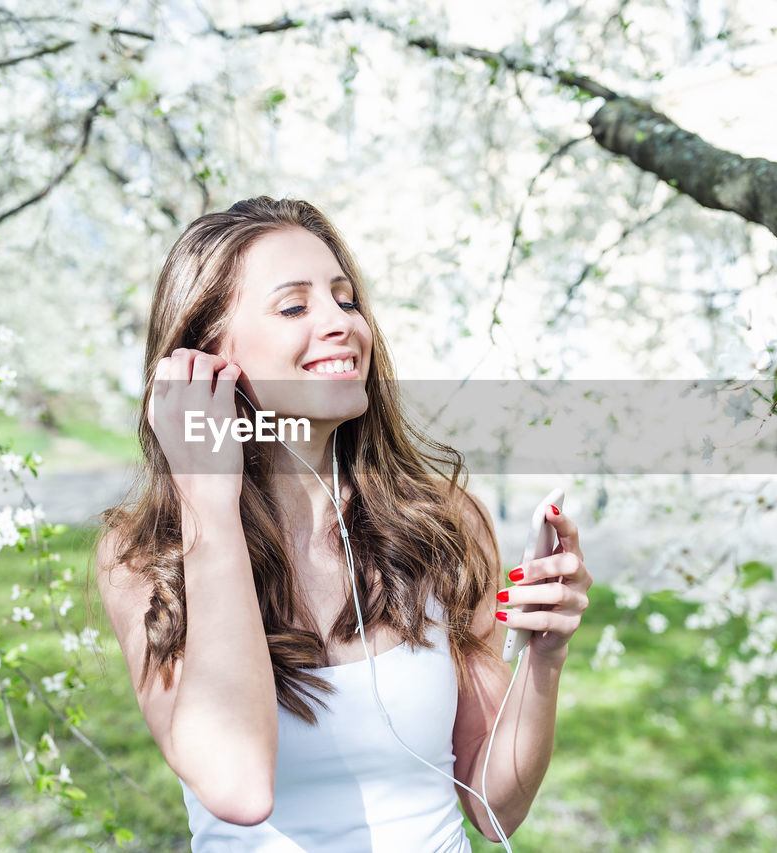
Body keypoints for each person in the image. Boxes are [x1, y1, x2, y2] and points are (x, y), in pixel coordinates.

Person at [94, 196, 593, 851]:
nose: (341, 323)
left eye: (346, 299)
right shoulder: (144, 559)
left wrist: (543, 659)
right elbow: (238, 786)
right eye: (295, 306)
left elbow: (496, 807)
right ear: (205, 356)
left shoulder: (444, 524)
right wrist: (209, 504)